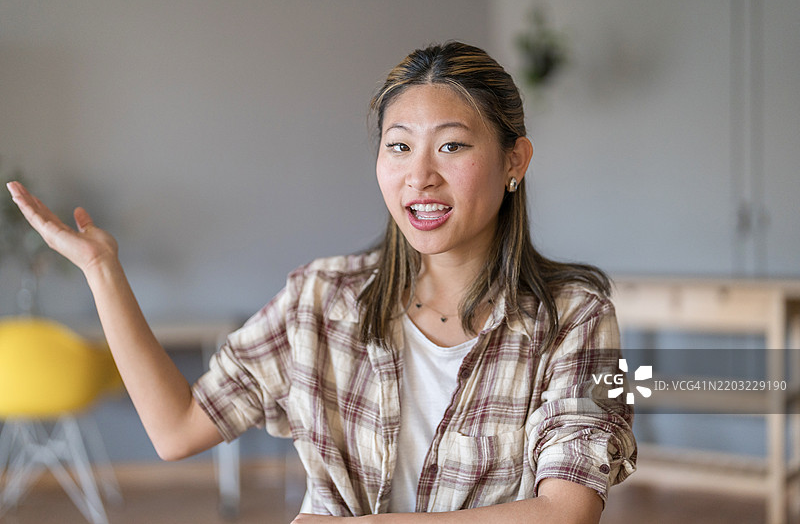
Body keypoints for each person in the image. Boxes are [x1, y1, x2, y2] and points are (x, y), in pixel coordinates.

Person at [7, 41, 635, 523]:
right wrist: (101, 269)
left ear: (513, 161)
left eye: (451, 147)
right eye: (397, 147)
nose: (419, 176)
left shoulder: (575, 315)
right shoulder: (320, 298)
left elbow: (565, 510)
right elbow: (176, 429)